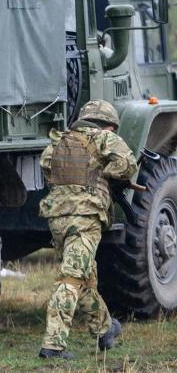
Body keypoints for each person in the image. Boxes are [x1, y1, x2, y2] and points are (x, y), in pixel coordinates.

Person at [38, 100, 136, 360]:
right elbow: (128, 165)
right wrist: (103, 174)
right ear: (109, 124)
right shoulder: (105, 138)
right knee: (72, 278)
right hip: (86, 219)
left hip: (58, 218)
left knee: (85, 277)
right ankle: (53, 345)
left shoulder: (59, 142)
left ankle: (105, 330)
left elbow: (46, 167)